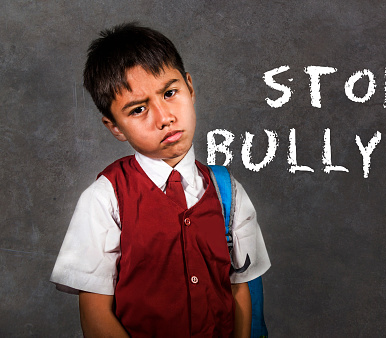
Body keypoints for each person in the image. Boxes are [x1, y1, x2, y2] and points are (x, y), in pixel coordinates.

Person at [50, 23, 270, 338]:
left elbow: (239, 287)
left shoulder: (228, 191)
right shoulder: (104, 198)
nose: (164, 117)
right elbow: (95, 310)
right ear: (115, 127)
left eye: (169, 93)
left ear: (190, 88)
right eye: (139, 109)